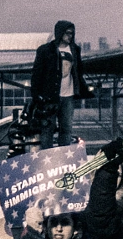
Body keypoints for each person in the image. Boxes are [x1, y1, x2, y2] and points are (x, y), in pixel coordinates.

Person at [28, 19, 84, 148]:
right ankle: (47, 158)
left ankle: (63, 157)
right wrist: (37, 95)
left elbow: (79, 71)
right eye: (68, 33)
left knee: (66, 129)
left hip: (68, 96)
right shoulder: (45, 50)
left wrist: (80, 89)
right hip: (50, 97)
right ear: (60, 33)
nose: (70, 36)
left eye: (72, 33)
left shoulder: (75, 50)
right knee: (48, 129)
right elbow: (37, 74)